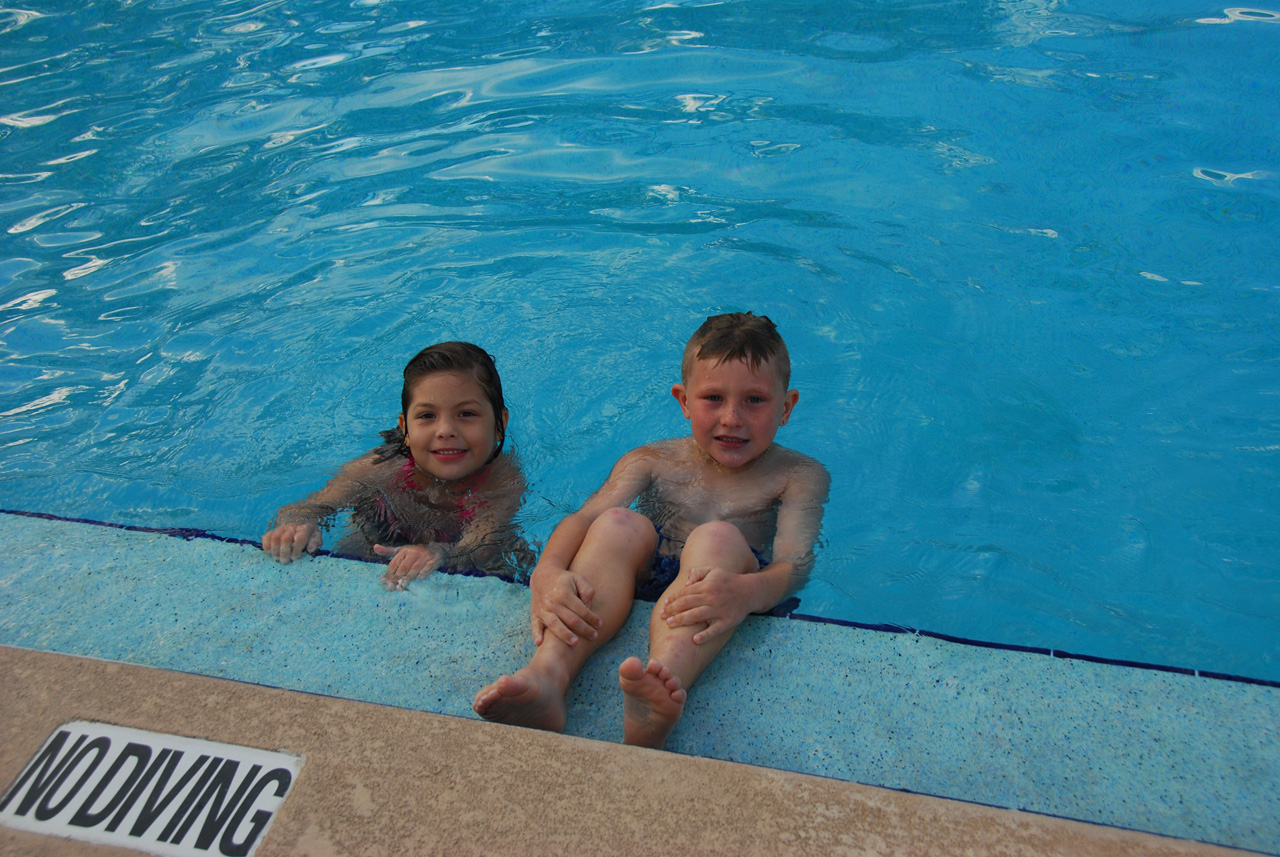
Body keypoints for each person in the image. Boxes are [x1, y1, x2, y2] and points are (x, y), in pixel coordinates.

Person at [473, 312, 829, 749]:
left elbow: (793, 566)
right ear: (683, 400)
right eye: (713, 398)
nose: (732, 418)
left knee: (715, 537)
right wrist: (546, 573)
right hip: (645, 576)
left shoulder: (798, 475)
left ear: (787, 406)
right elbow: (582, 521)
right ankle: (548, 675)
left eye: (754, 400)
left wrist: (747, 593)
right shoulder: (652, 459)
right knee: (616, 523)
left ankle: (662, 684)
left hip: (723, 587)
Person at [262, 341, 531, 589]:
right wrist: (297, 526)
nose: (446, 430)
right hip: (376, 537)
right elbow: (308, 507)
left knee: (509, 567)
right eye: (427, 415)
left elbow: (477, 546)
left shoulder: (503, 481)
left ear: (500, 424)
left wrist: (436, 553)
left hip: (455, 554)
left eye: (467, 414)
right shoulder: (381, 466)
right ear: (405, 428)